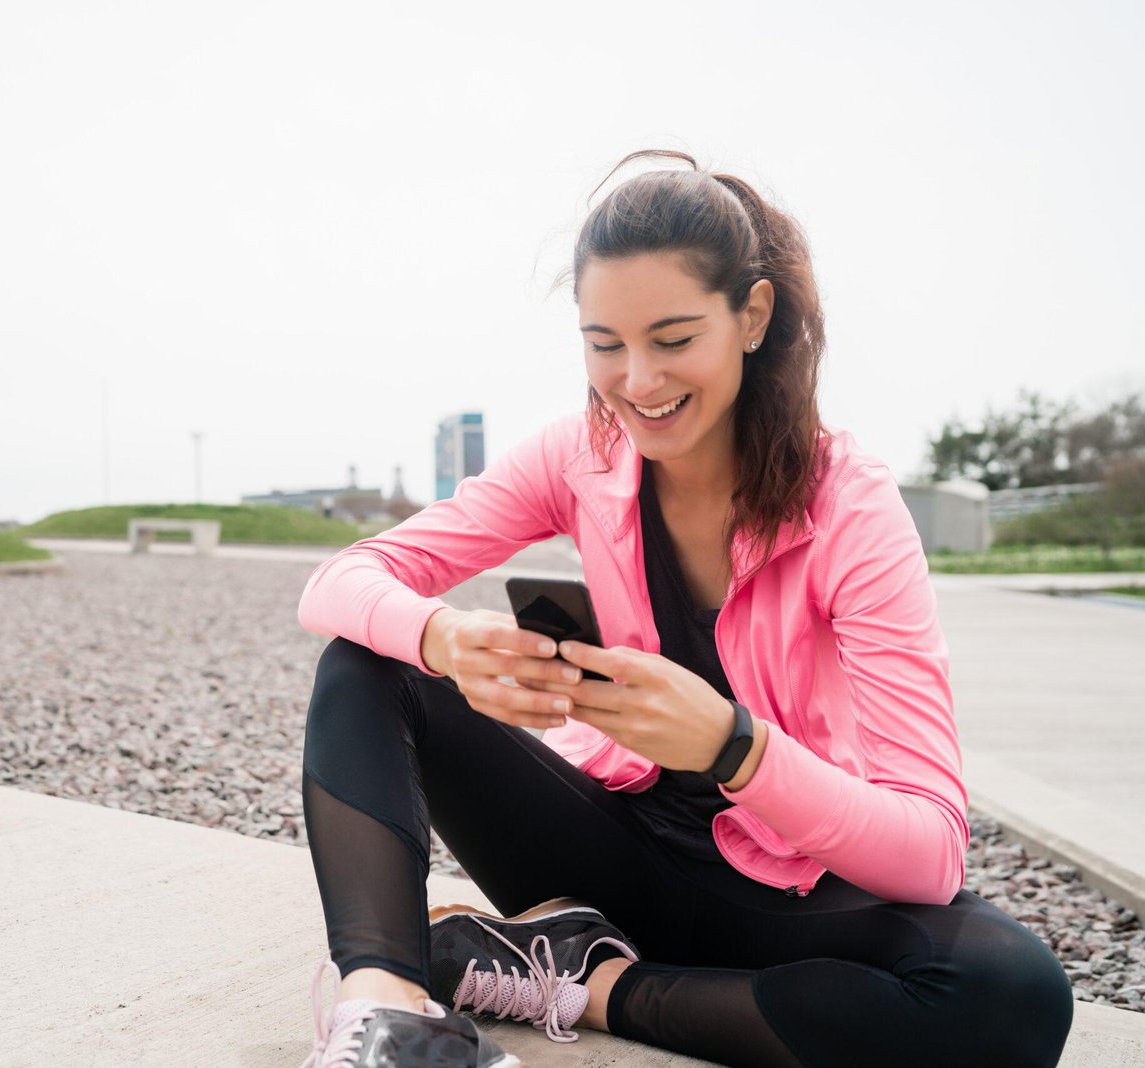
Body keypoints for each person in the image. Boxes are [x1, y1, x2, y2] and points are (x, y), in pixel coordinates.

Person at [292, 150, 1075, 1068]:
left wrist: (732, 746)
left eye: (672, 340)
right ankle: (390, 1016)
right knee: (366, 660)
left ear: (752, 316)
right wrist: (446, 636)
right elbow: (341, 582)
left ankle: (586, 984)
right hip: (601, 854)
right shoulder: (574, 457)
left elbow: (932, 853)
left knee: (1010, 993)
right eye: (604, 344)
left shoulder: (850, 507)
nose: (637, 382)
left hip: (780, 891)